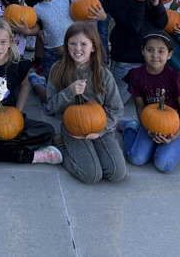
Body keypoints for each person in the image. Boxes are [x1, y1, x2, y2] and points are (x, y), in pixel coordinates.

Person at [0, 18, 61, 168]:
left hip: (12, 118)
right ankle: (31, 155)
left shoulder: (17, 63)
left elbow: (25, 85)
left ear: (10, 43)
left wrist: (18, 112)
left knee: (47, 131)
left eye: (2, 42)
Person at [46, 22, 126, 184]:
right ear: (66, 45)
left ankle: (94, 150)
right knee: (91, 175)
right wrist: (69, 92)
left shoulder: (103, 74)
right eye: (73, 44)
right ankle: (61, 147)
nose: (77, 48)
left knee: (116, 173)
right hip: (73, 127)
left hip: (101, 127)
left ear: (94, 47)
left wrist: (100, 131)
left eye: (83, 44)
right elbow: (51, 106)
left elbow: (116, 109)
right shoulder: (58, 70)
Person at [118, 32, 180, 173]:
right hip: (151, 123)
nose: (155, 55)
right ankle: (130, 127)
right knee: (136, 158)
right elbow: (140, 107)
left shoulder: (175, 78)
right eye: (149, 50)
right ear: (142, 51)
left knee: (163, 165)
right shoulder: (136, 76)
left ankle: (170, 143)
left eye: (161, 51)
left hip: (176, 125)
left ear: (169, 54)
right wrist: (148, 129)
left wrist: (174, 135)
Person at [108, 0, 168, 104]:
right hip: (126, 59)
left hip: (148, 60)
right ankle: (109, 124)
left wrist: (156, 4)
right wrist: (139, 2)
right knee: (116, 101)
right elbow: (134, 27)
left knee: (149, 100)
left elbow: (162, 23)